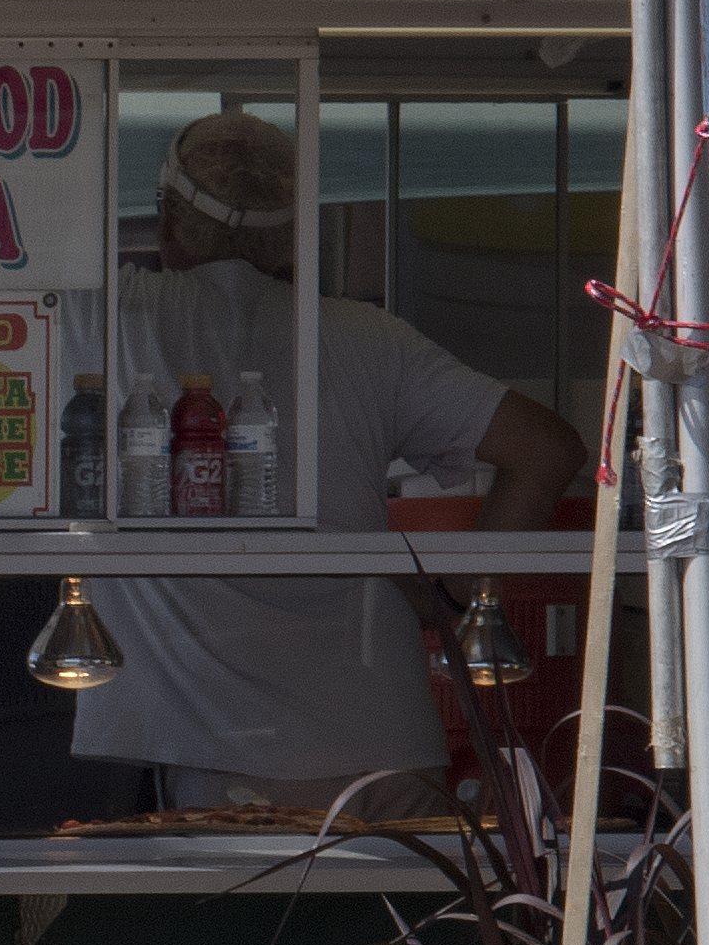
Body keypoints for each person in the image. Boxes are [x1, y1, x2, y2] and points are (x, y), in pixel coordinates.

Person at [70, 107, 596, 813]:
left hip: (220, 752)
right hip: (387, 747)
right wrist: (463, 597)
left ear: (165, 218)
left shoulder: (108, 317)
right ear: (295, 232)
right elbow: (547, 450)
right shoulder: (369, 337)